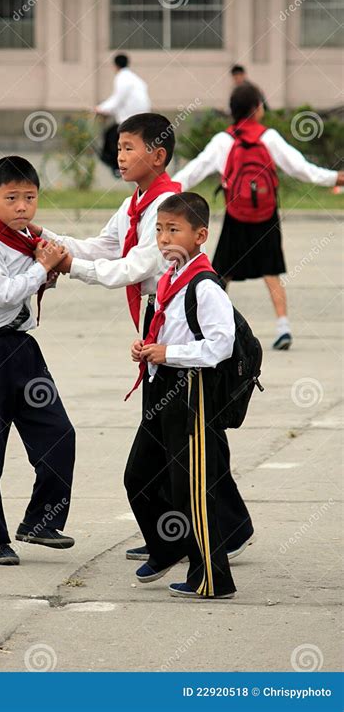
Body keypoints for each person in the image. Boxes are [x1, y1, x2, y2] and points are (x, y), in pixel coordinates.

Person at [27, 113, 254, 564]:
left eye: (129, 147)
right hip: (159, 319)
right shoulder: (136, 202)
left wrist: (69, 266)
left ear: (158, 155)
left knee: (184, 436)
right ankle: (215, 528)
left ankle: (193, 535)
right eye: (119, 147)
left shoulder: (167, 206)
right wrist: (42, 235)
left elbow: (134, 268)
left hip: (183, 322)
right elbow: (104, 246)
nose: (120, 154)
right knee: (185, 436)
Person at [0, 156, 76, 565]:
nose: (22, 206)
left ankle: (41, 521)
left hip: (23, 350)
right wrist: (42, 269)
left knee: (59, 433)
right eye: (11, 198)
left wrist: (45, 270)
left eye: (30, 197)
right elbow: (4, 293)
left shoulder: (29, 239)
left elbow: (57, 257)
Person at [125, 192, 237, 599]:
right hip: (162, 386)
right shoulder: (171, 275)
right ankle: (167, 545)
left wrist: (169, 353)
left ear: (200, 235)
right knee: (138, 477)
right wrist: (148, 350)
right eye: (159, 229)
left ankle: (212, 578)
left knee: (190, 488)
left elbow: (221, 344)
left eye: (174, 230)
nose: (164, 238)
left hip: (190, 391)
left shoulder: (204, 285)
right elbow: (170, 331)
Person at [173, 84, 344, 350]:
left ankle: (203, 326)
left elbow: (194, 171)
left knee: (221, 274)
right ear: (256, 108)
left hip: (236, 215)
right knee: (271, 271)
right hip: (265, 215)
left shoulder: (223, 141)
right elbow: (301, 169)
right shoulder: (269, 137)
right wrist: (335, 177)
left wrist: (166, 189)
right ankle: (283, 326)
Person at [95, 54, 151, 176]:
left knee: (110, 137)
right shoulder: (135, 79)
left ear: (115, 66)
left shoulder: (122, 78)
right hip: (142, 118)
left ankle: (118, 167)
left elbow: (117, 100)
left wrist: (100, 109)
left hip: (130, 119)